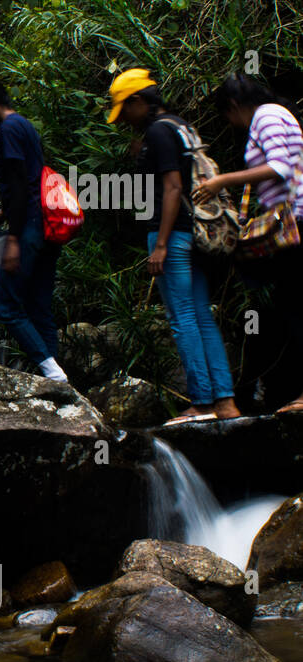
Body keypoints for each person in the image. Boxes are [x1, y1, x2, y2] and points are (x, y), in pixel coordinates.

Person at [108, 69, 240, 424]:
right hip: (197, 233)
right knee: (201, 317)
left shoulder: (157, 132)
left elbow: (170, 188)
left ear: (138, 100)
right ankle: (225, 403)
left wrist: (161, 244)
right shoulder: (180, 126)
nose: (122, 119)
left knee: (182, 319)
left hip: (173, 235)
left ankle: (201, 403)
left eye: (124, 110)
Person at [197, 73, 303, 413]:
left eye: (227, 117)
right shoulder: (272, 115)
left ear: (232, 106)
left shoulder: (267, 116)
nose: (231, 125)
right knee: (287, 306)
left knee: (295, 308)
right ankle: (282, 392)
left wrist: (222, 180)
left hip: (298, 221)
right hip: (293, 221)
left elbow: (279, 167)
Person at [0, 73, 68, 381]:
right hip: (46, 224)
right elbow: (33, 175)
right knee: (39, 305)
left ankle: (52, 373)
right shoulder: (23, 124)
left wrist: (12, 240)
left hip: (29, 227)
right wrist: (3, 211)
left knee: (6, 306)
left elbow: (19, 185)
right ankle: (55, 378)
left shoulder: (7, 129)